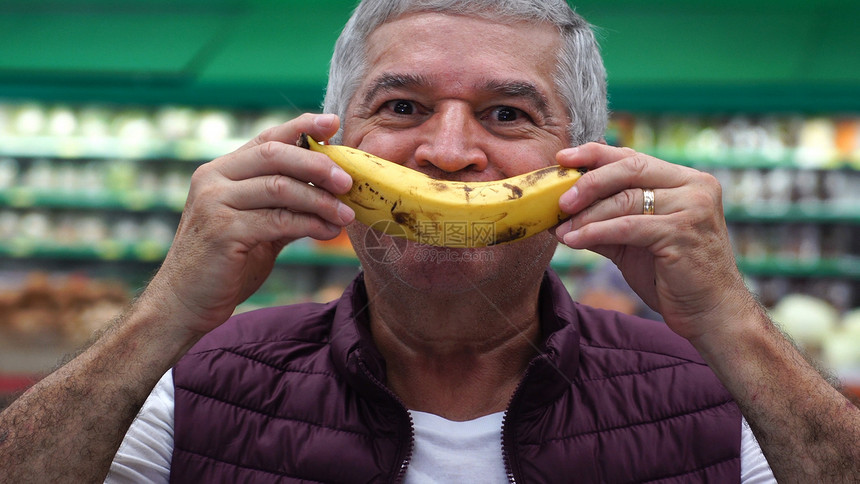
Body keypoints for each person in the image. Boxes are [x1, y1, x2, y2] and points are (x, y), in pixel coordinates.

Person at [1, 0, 858, 482]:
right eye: (402, 107)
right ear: (329, 146)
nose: (449, 154)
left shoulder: (721, 406)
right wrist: (165, 315)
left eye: (507, 114)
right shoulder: (187, 389)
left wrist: (733, 326)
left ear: (586, 161)